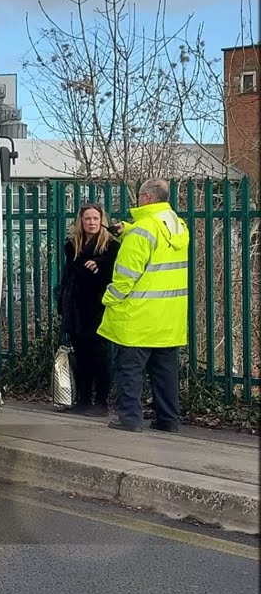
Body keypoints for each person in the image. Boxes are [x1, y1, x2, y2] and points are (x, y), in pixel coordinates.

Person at [98, 178, 190, 433]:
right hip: (169, 319)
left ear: (147, 198)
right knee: (165, 374)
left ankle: (130, 418)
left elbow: (126, 276)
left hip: (138, 318)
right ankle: (168, 420)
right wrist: (127, 229)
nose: (137, 200)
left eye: (139, 196)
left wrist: (109, 299)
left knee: (129, 370)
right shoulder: (179, 227)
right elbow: (156, 244)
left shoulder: (142, 231)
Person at [56, 203, 120, 416]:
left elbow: (114, 276)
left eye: (95, 218)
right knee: (81, 356)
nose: (92, 223)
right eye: (87, 219)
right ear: (80, 222)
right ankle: (83, 400)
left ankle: (101, 402)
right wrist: (62, 303)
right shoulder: (72, 245)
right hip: (75, 309)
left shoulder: (110, 246)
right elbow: (69, 278)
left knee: (99, 356)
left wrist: (100, 266)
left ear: (102, 220)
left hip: (98, 308)